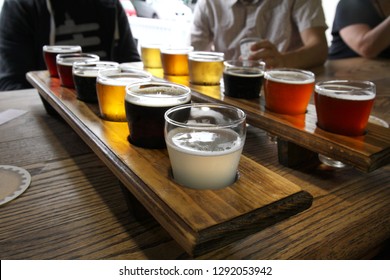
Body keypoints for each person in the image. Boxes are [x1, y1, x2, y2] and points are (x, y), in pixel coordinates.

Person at [0, 0, 141, 91]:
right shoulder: (22, 5)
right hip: (50, 117)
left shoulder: (110, 6)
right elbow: (11, 85)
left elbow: (133, 68)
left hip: (106, 113)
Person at [190, 0, 328, 69]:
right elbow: (193, 55)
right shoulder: (208, 3)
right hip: (228, 92)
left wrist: (283, 61)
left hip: (281, 89)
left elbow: (319, 49)